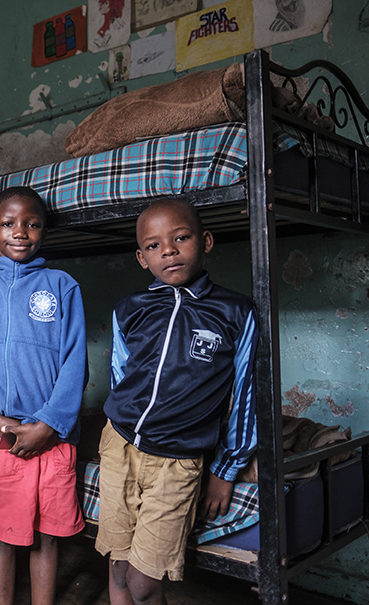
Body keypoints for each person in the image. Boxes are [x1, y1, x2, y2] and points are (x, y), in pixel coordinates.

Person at [96, 198, 258, 605]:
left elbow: (245, 393)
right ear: (141, 257)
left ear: (204, 241)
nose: (167, 250)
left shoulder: (235, 311)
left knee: (144, 583)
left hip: (178, 459)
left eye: (180, 238)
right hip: (119, 447)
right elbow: (120, 379)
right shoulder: (129, 310)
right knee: (117, 568)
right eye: (153, 246)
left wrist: (226, 468)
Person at [0, 186, 88, 605]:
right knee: (3, 534)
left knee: (45, 539)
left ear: (44, 232)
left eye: (32, 224)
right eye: (8, 224)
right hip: (0, 437)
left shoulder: (62, 286)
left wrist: (48, 425)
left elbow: (74, 363)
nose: (21, 232)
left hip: (53, 435)